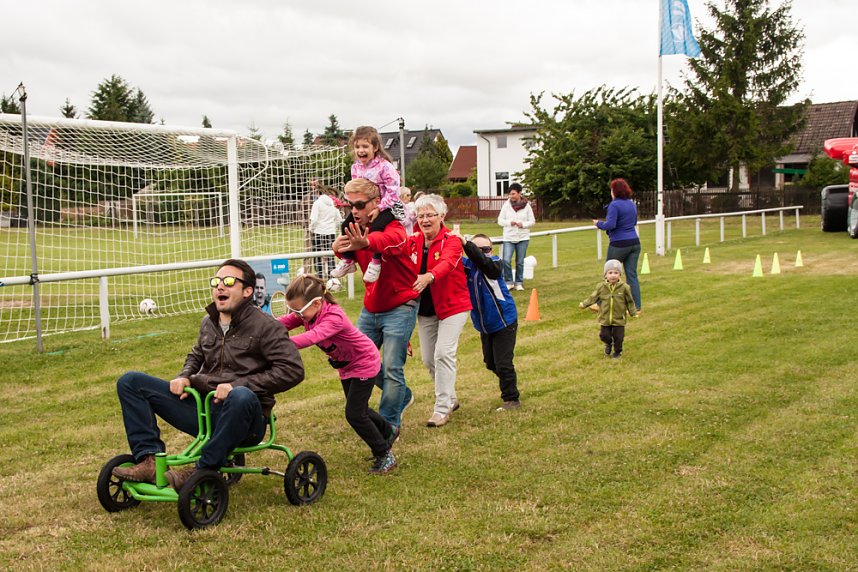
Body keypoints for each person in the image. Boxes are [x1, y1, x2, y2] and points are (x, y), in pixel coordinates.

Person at [111, 259, 305, 489]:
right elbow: (196, 355)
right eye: (216, 281)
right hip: (205, 411)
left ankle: (203, 469)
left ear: (247, 291)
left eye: (229, 281)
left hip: (246, 418)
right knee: (131, 382)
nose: (220, 286)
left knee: (241, 395)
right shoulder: (209, 322)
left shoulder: (266, 327)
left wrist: (238, 385)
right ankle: (148, 460)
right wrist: (184, 376)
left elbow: (292, 370)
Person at [278, 274, 397, 475]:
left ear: (317, 303)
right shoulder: (308, 313)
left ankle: (384, 453)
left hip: (364, 362)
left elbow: (312, 336)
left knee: (355, 414)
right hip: (346, 366)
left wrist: (278, 344)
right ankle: (389, 430)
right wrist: (264, 328)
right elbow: (284, 322)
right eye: (293, 311)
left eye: (298, 311)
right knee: (359, 408)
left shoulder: (334, 318)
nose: (296, 315)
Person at [332, 177, 418, 434]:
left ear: (377, 202)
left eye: (359, 205)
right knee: (353, 358)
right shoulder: (355, 227)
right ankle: (403, 395)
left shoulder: (395, 227)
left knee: (392, 367)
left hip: (401, 305)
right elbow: (347, 251)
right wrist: (338, 248)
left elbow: (388, 241)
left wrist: (366, 242)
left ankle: (389, 425)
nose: (354, 211)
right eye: (350, 205)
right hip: (371, 307)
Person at [409, 194, 471, 427]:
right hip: (426, 310)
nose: (425, 220)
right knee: (429, 359)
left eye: (430, 215)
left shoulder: (451, 240)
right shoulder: (413, 241)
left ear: (442, 216)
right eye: (421, 215)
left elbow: (447, 263)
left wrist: (429, 276)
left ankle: (442, 408)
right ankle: (451, 397)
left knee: (443, 353)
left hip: (453, 305)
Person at [453, 231, 521, 411]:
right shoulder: (467, 266)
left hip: (505, 321)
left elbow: (486, 264)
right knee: (490, 363)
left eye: (486, 249)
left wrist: (468, 246)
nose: (482, 253)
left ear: (491, 250)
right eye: (478, 249)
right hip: (484, 325)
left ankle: (511, 399)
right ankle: (509, 381)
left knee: (503, 363)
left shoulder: (495, 263)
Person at [330, 126, 405, 284]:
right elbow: (357, 189)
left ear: (375, 148)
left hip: (388, 206)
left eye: (365, 146)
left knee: (376, 227)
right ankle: (348, 260)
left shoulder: (385, 167)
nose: (361, 150)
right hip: (369, 204)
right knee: (346, 224)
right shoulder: (356, 167)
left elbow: (394, 191)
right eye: (357, 147)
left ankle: (376, 260)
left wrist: (379, 207)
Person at [593, 178, 642, 312]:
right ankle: (636, 307)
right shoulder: (632, 204)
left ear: (614, 191)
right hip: (634, 242)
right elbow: (634, 222)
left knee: (609, 273)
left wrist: (598, 223)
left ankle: (599, 303)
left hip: (619, 244)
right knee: (632, 275)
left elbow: (610, 224)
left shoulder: (614, 205)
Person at [579, 259, 637, 359]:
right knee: (604, 335)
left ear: (620, 275)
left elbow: (630, 301)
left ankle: (617, 352)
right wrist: (584, 304)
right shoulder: (601, 287)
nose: (613, 275)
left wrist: (633, 312)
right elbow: (593, 297)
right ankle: (608, 344)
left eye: (616, 273)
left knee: (619, 337)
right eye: (610, 273)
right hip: (605, 317)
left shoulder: (624, 288)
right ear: (605, 275)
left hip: (619, 318)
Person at [497, 183, 535, 291]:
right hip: (509, 237)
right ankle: (509, 282)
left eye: (513, 194)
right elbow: (500, 220)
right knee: (506, 260)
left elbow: (532, 221)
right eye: (510, 194)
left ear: (519, 193)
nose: (511, 196)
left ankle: (519, 283)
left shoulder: (527, 206)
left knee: (519, 262)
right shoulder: (506, 206)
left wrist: (523, 224)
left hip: (523, 238)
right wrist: (509, 222)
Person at [308, 181, 343, 278]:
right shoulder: (333, 204)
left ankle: (319, 276)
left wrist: (311, 229)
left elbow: (314, 219)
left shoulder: (317, 203)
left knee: (317, 255)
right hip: (330, 232)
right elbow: (339, 219)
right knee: (331, 255)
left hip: (318, 232)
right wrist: (333, 227)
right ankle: (331, 277)